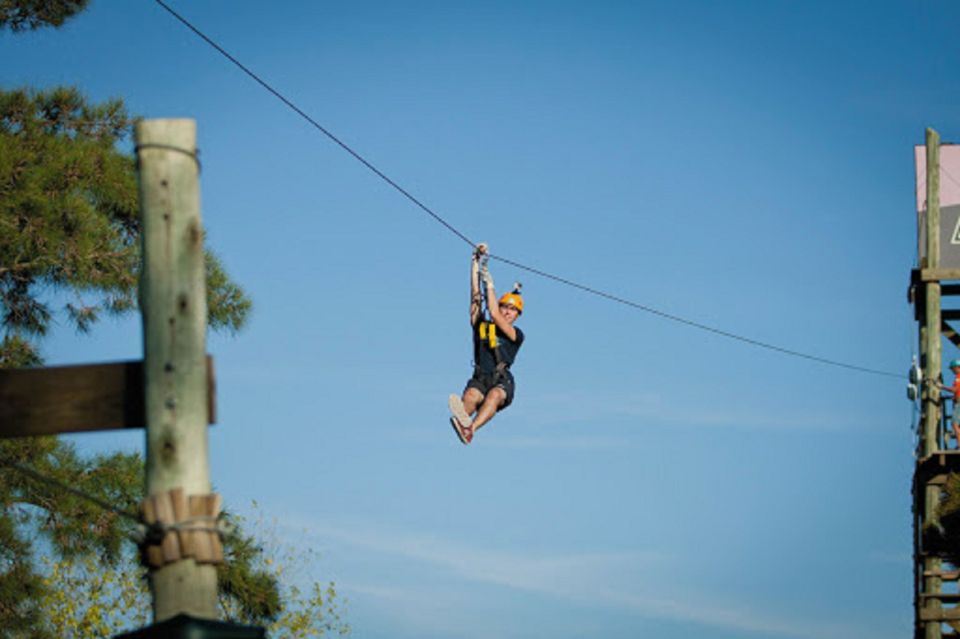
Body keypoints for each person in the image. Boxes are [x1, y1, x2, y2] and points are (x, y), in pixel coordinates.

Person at [449, 243, 524, 445]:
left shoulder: (515, 334)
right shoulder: (481, 326)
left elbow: (494, 313)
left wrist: (489, 281)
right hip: (480, 377)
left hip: (501, 381)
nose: (507, 312)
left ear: (517, 315)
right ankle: (462, 419)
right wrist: (474, 265)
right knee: (472, 395)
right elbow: (475, 300)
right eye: (504, 307)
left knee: (494, 395)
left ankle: (471, 429)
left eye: (512, 310)